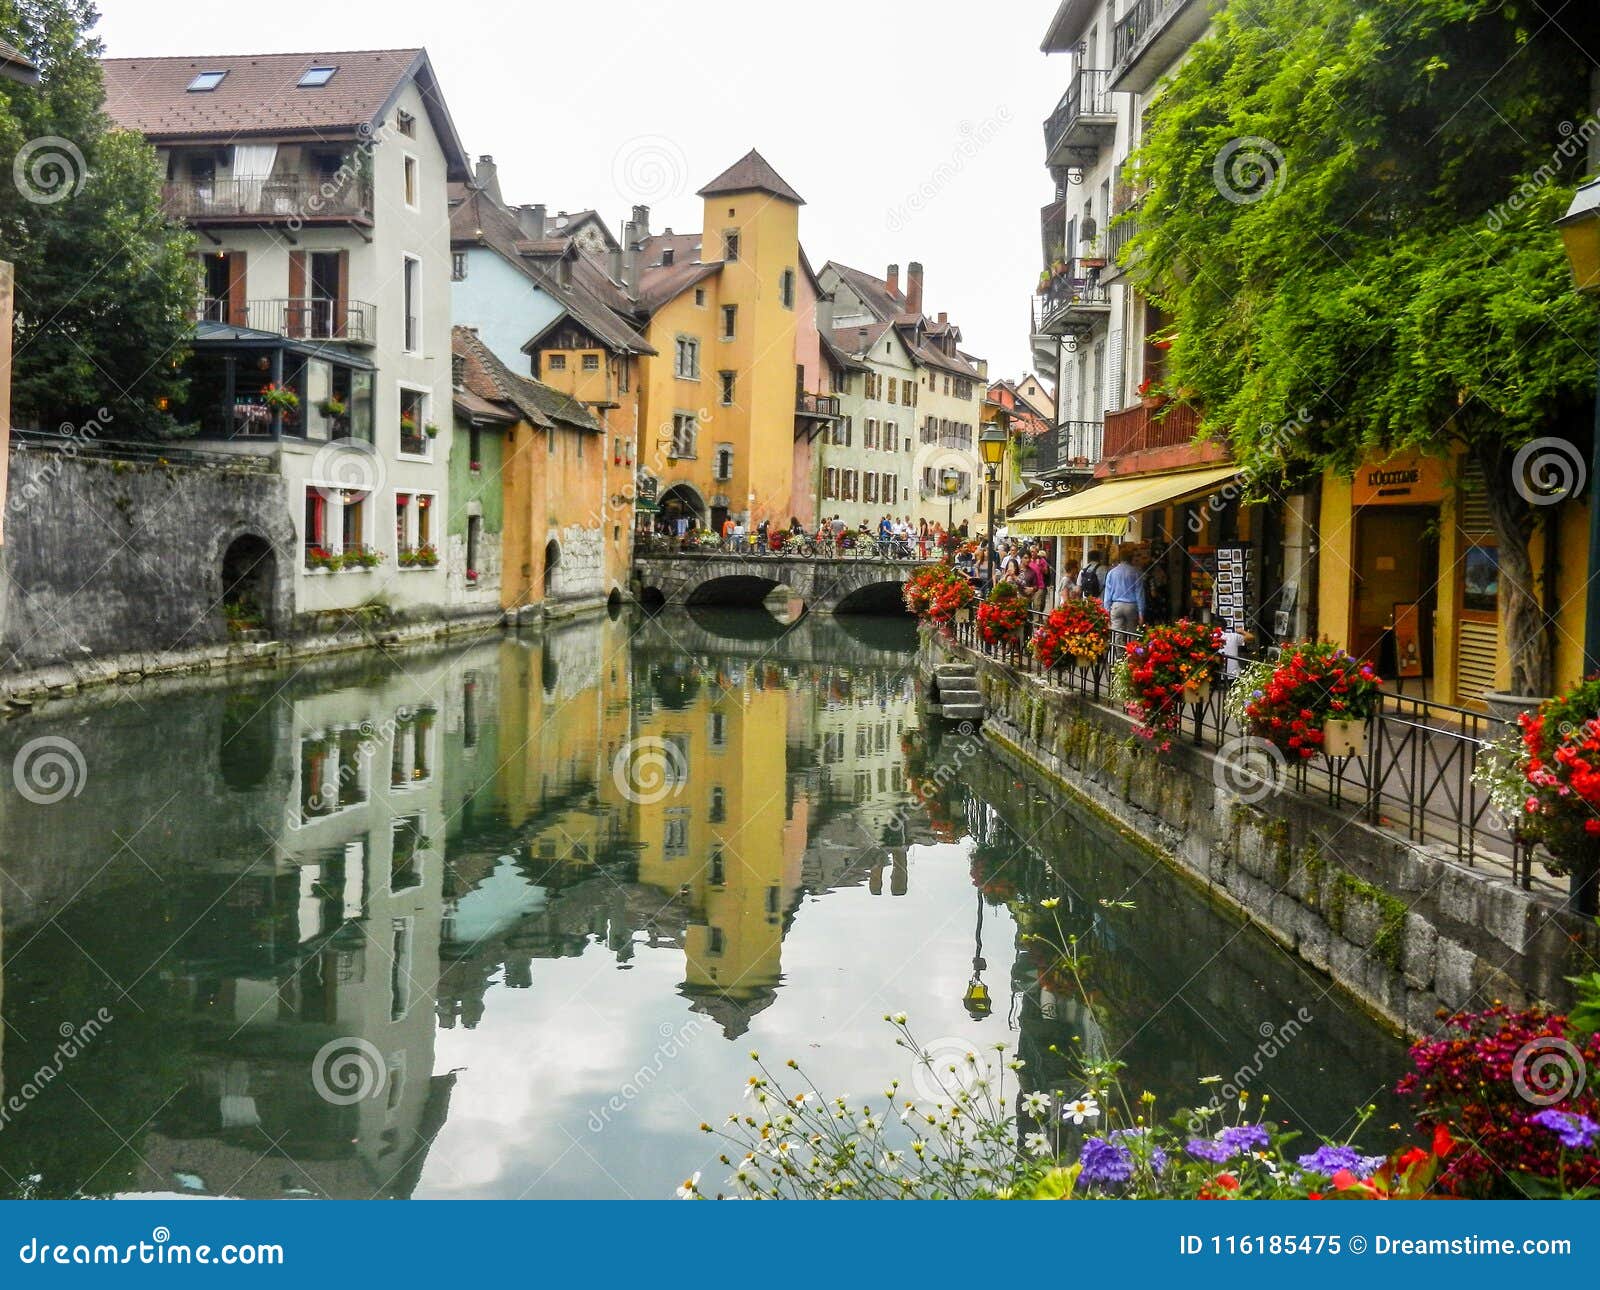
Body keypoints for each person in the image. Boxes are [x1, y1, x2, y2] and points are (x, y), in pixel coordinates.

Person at [1102, 544, 1146, 639]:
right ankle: (1130, 652)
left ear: (1120, 559)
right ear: (1131, 559)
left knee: (1117, 634)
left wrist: (1107, 611)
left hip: (1116, 605)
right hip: (1131, 605)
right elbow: (1139, 594)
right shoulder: (1136, 572)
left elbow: (1107, 594)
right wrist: (1141, 613)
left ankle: (1118, 653)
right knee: (1131, 633)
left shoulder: (1112, 573)